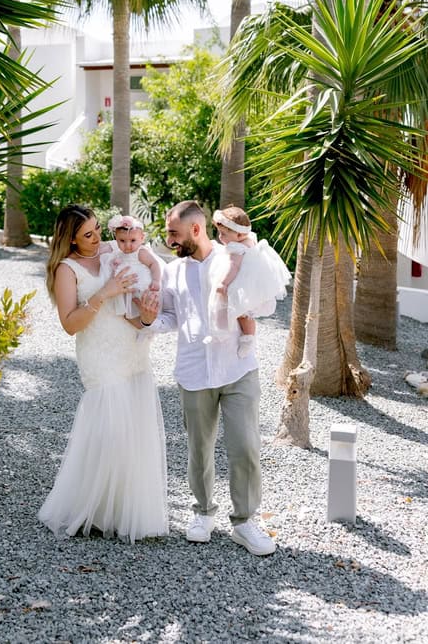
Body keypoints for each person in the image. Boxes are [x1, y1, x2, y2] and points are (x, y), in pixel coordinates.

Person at [140, 200, 276, 555]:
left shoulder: (235, 258)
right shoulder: (172, 272)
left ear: (196, 230)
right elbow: (170, 319)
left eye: (174, 232)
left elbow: (264, 304)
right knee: (199, 450)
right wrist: (148, 319)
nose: (168, 239)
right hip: (193, 372)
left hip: (238, 369)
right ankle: (202, 513)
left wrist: (243, 308)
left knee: (245, 447)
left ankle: (245, 522)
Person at [38, 204, 168, 543]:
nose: (98, 239)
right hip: (100, 354)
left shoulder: (116, 249)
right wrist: (104, 292)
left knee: (133, 433)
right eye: (88, 235)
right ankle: (92, 509)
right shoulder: (67, 270)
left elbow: (147, 273)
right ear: (71, 240)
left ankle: (124, 512)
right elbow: (69, 324)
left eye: (98, 229)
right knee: (108, 431)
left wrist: (149, 316)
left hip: (132, 348)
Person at [209, 204, 291, 359]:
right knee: (245, 312)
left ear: (239, 235)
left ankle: (246, 338)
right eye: (220, 233)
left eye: (224, 234)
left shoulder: (236, 247)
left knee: (241, 312)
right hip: (254, 281)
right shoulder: (249, 238)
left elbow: (234, 266)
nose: (220, 237)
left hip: (243, 281)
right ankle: (242, 334)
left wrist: (224, 283)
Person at [103, 214, 162, 319]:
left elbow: (154, 264)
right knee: (129, 312)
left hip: (141, 286)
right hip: (127, 289)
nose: (127, 245)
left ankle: (147, 322)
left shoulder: (140, 252)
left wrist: (156, 280)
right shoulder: (118, 254)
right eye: (122, 241)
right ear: (116, 239)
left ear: (142, 238)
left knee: (144, 306)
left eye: (133, 240)